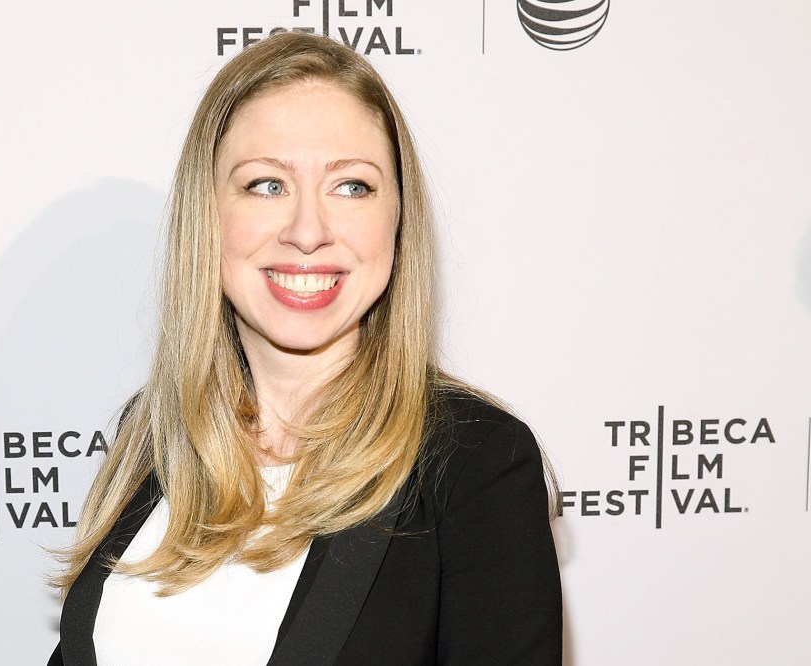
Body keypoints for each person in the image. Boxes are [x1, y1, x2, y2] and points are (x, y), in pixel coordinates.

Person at [49, 31, 561, 666]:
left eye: (351, 187)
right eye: (266, 184)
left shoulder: (476, 463)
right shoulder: (158, 432)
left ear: (398, 218)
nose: (308, 232)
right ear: (207, 213)